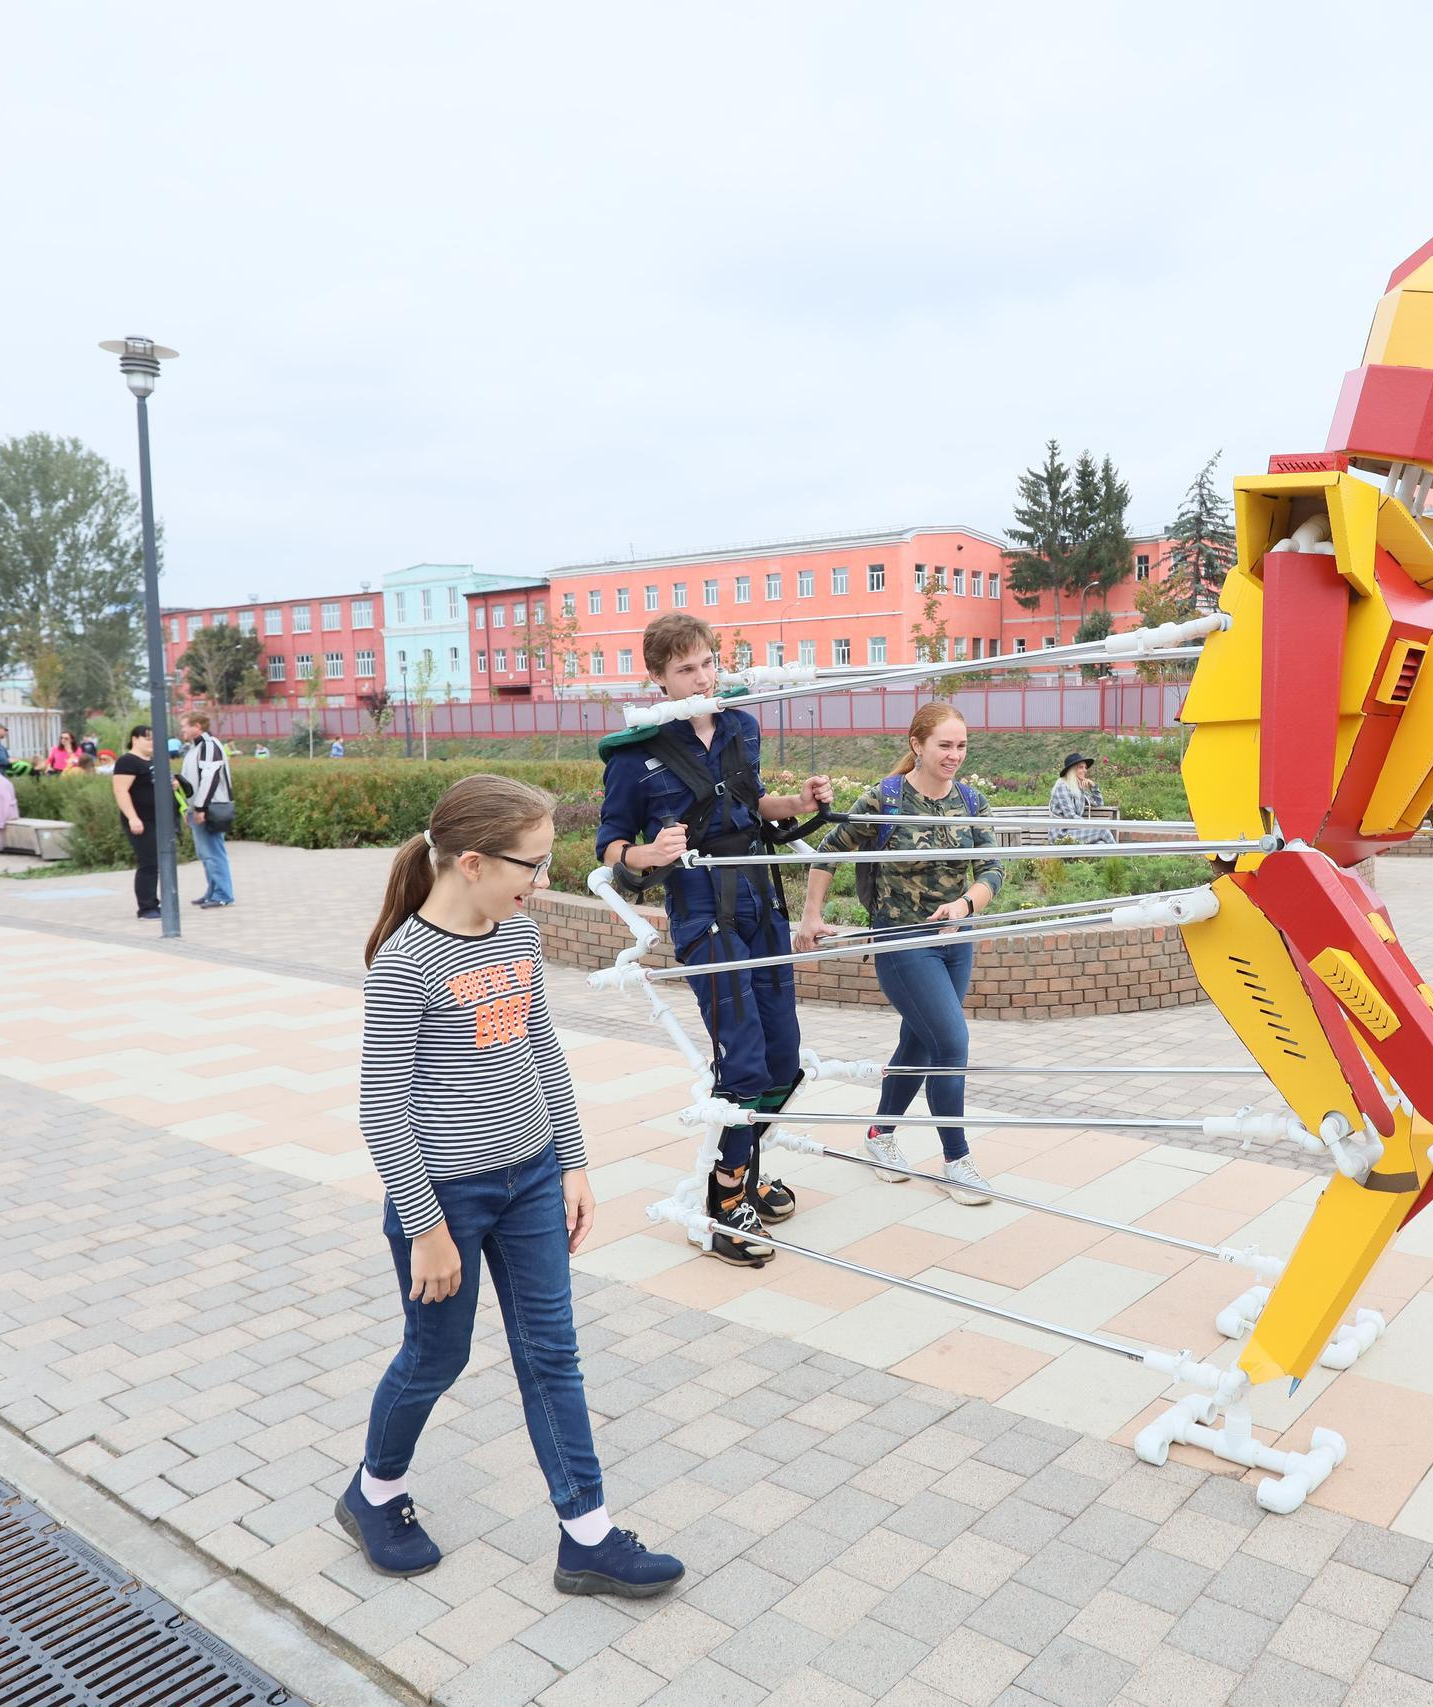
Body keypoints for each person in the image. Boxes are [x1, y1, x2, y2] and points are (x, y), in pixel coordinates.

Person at [343, 773, 683, 1598]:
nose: (542, 880)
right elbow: (380, 1108)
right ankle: (373, 1491)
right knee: (436, 1357)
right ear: (470, 862)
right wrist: (426, 1227)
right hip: (445, 1200)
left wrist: (572, 1162)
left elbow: (541, 1055)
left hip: (531, 1177)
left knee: (551, 1354)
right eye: (531, 864)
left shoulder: (517, 939)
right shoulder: (404, 963)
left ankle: (587, 1534)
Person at [596, 614, 834, 1267]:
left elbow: (753, 804)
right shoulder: (633, 756)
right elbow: (611, 849)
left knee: (784, 1057)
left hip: (762, 900)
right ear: (659, 679)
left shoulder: (740, 727)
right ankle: (723, 1198)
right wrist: (651, 850)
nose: (701, 677)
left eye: (706, 664)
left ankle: (746, 1167)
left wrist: (798, 801)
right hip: (704, 913)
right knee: (745, 1060)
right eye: (685, 670)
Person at [798, 703, 998, 1208]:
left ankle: (879, 1135)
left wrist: (964, 904)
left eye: (961, 746)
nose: (954, 756)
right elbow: (829, 851)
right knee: (951, 1043)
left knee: (922, 1043)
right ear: (917, 745)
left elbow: (994, 868)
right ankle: (957, 1162)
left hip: (956, 939)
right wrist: (811, 916)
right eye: (944, 746)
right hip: (900, 942)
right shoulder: (885, 801)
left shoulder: (971, 802)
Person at [180, 712, 238, 909]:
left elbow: (210, 777)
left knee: (213, 851)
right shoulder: (196, 748)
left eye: (185, 726)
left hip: (209, 806)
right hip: (200, 806)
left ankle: (223, 893)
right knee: (206, 852)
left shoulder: (209, 746)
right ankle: (213, 891)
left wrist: (200, 807)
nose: (183, 730)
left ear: (198, 726)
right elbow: (194, 779)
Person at [112, 725, 163, 919]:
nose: (152, 743)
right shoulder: (127, 761)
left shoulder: (154, 761)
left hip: (158, 819)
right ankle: (146, 907)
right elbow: (120, 790)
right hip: (140, 820)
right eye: (148, 739)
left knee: (158, 861)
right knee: (148, 862)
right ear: (135, 739)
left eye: (154, 739)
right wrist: (133, 817)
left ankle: (156, 902)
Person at [1047, 752, 1114, 844]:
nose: (1085, 770)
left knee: (1100, 844)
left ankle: (1116, 858)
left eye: (1085, 768)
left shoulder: (1078, 788)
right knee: (1103, 831)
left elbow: (1099, 803)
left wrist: (1093, 786)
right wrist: (1093, 825)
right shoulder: (1062, 786)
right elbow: (1070, 816)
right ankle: (1123, 856)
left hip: (1075, 831)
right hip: (1061, 835)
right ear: (1072, 770)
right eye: (1081, 767)